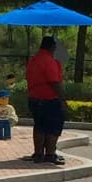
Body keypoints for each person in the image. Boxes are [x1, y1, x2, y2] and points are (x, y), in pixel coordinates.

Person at [25, 35, 67, 164]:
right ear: (52, 47)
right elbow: (54, 82)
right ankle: (50, 154)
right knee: (53, 127)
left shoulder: (33, 60)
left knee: (39, 126)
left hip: (34, 98)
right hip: (49, 99)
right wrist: (62, 99)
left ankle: (38, 154)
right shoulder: (49, 61)